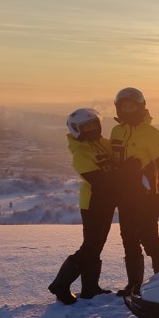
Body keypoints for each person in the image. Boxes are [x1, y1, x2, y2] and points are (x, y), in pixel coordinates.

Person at [48, 108, 116, 304]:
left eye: (95, 124)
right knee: (90, 246)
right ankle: (60, 284)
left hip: (107, 202)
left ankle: (90, 288)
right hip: (93, 203)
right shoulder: (81, 153)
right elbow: (101, 181)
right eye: (87, 126)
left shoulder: (102, 143)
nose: (92, 129)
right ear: (77, 129)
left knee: (97, 245)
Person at [110, 87, 159, 296]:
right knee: (128, 238)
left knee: (150, 239)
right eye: (123, 106)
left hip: (145, 197)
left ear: (141, 107)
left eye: (131, 106)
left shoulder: (150, 134)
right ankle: (133, 285)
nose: (127, 110)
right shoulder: (116, 131)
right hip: (124, 195)